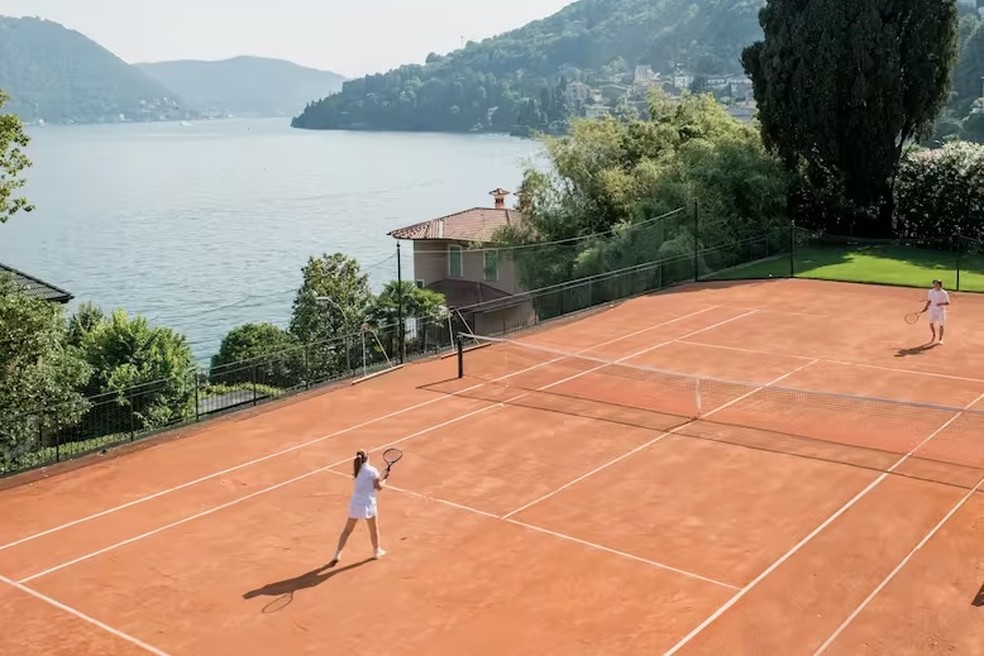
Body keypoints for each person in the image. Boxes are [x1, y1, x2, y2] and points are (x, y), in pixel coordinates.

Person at [330, 450, 387, 565]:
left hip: (355, 503)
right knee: (373, 529)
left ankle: (337, 554)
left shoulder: (357, 469)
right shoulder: (372, 470)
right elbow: (379, 487)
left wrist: (381, 476)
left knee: (347, 531)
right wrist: (385, 478)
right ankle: (377, 551)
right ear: (367, 458)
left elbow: (370, 481)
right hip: (368, 503)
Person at [922, 279, 951, 344]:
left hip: (940, 311)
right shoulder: (930, 291)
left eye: (936, 284)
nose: (935, 285)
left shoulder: (944, 293)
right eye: (934, 284)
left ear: (940, 285)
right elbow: (929, 301)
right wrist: (925, 308)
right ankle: (934, 334)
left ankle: (940, 339)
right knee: (931, 324)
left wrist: (940, 304)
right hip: (932, 310)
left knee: (941, 325)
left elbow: (947, 303)